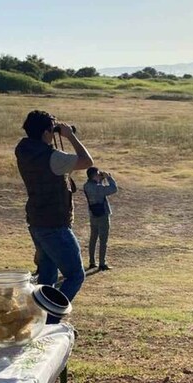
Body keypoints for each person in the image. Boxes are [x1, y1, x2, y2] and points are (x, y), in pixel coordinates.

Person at [15, 110, 93, 301]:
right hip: (55, 224)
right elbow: (87, 161)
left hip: (36, 220)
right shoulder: (52, 157)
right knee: (75, 275)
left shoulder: (24, 150)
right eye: (53, 130)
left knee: (47, 277)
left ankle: (40, 318)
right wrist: (70, 136)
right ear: (45, 133)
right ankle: (51, 317)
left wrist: (56, 133)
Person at [83, 167, 118, 271]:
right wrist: (109, 178)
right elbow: (113, 189)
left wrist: (101, 180)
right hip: (102, 215)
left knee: (93, 238)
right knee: (103, 240)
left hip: (93, 214)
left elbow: (97, 188)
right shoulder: (98, 188)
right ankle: (102, 263)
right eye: (98, 174)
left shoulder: (86, 186)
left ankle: (92, 262)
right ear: (94, 175)